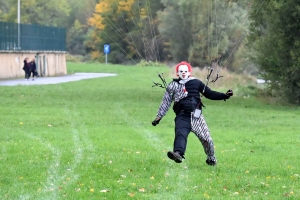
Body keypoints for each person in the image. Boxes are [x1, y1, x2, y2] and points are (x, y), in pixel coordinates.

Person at [151, 61, 233, 166]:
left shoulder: (196, 83)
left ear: (189, 72)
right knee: (180, 135)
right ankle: (178, 154)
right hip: (182, 115)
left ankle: (211, 158)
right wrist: (159, 117)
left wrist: (225, 95)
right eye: (181, 71)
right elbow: (166, 102)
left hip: (197, 115)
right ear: (177, 73)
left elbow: (210, 94)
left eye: (185, 71)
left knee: (206, 139)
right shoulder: (172, 85)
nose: (183, 73)